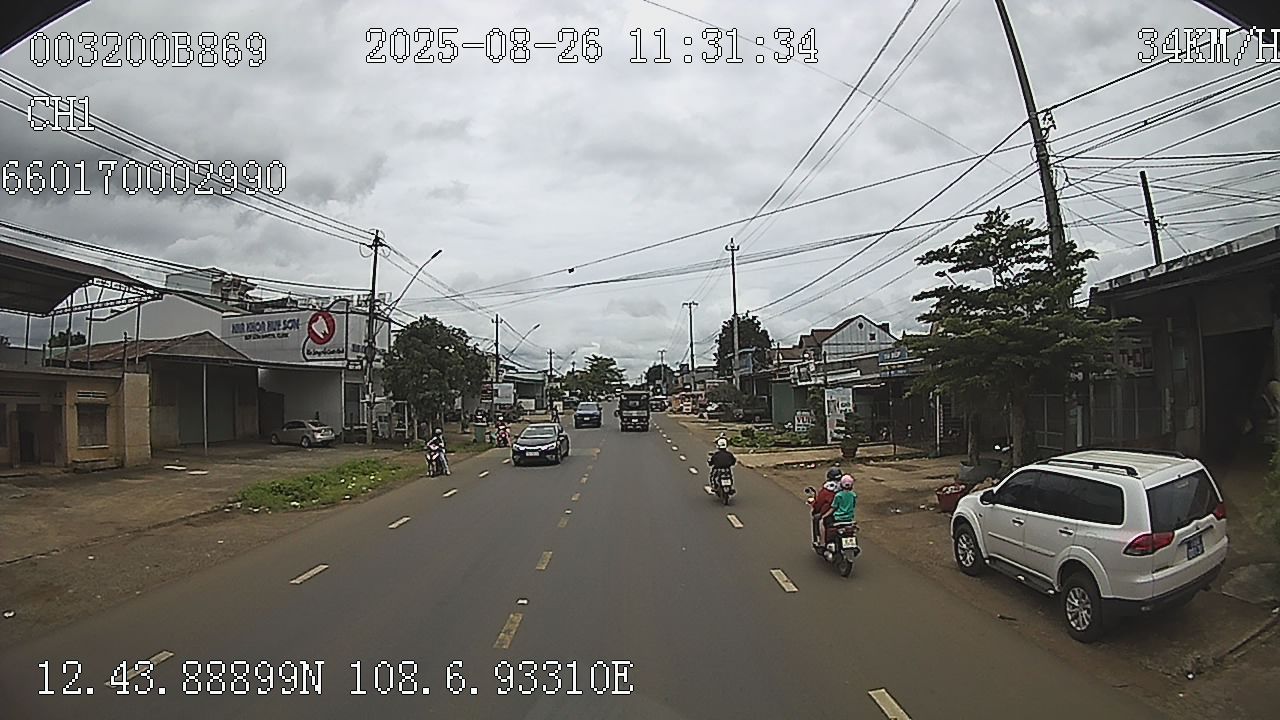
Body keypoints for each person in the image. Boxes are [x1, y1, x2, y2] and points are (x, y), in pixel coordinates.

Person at [811, 467, 841, 545]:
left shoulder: (827, 490)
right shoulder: (844, 488)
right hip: (846, 515)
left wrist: (815, 508)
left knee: (817, 518)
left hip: (830, 515)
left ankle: (819, 541)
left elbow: (819, 504)